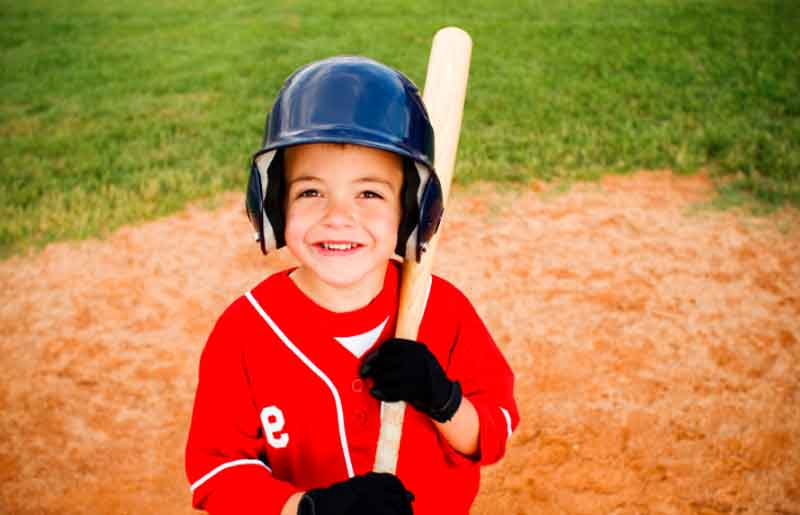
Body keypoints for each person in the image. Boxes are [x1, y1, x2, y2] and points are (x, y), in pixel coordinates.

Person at [185, 56, 519, 515]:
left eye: (369, 193)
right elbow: (215, 475)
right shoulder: (244, 331)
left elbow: (491, 436)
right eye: (310, 192)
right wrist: (307, 509)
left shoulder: (442, 310)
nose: (339, 217)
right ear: (275, 205)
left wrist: (443, 400)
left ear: (409, 211)